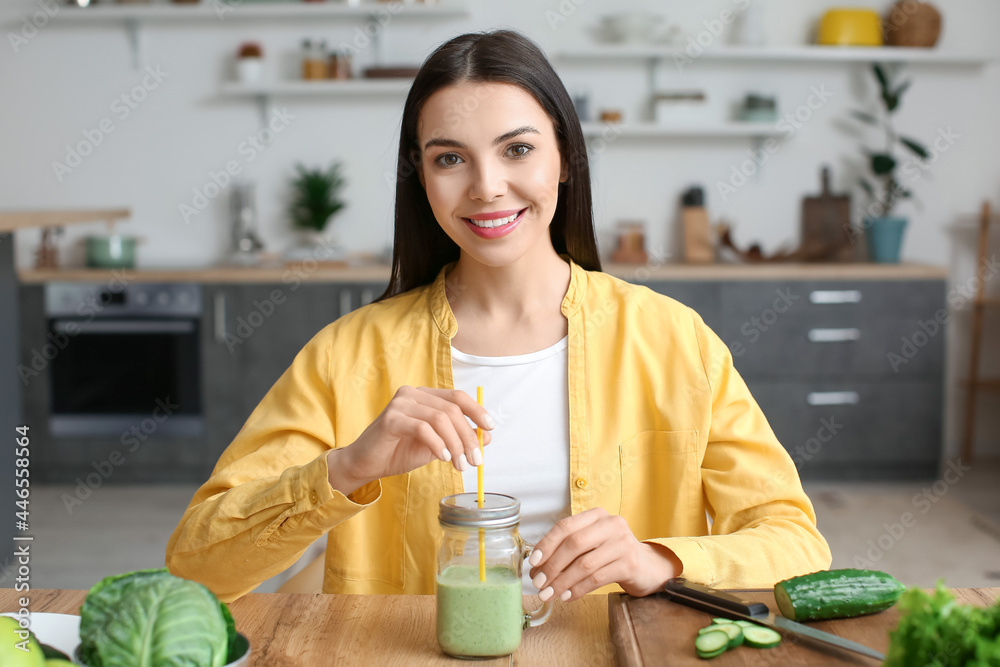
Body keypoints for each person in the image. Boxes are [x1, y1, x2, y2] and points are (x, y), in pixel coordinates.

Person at [166, 29, 831, 604]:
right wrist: (345, 469)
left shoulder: (673, 339)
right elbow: (198, 564)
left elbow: (797, 544)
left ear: (565, 158)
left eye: (517, 149)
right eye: (450, 158)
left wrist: (658, 559)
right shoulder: (347, 354)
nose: (486, 186)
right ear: (421, 179)